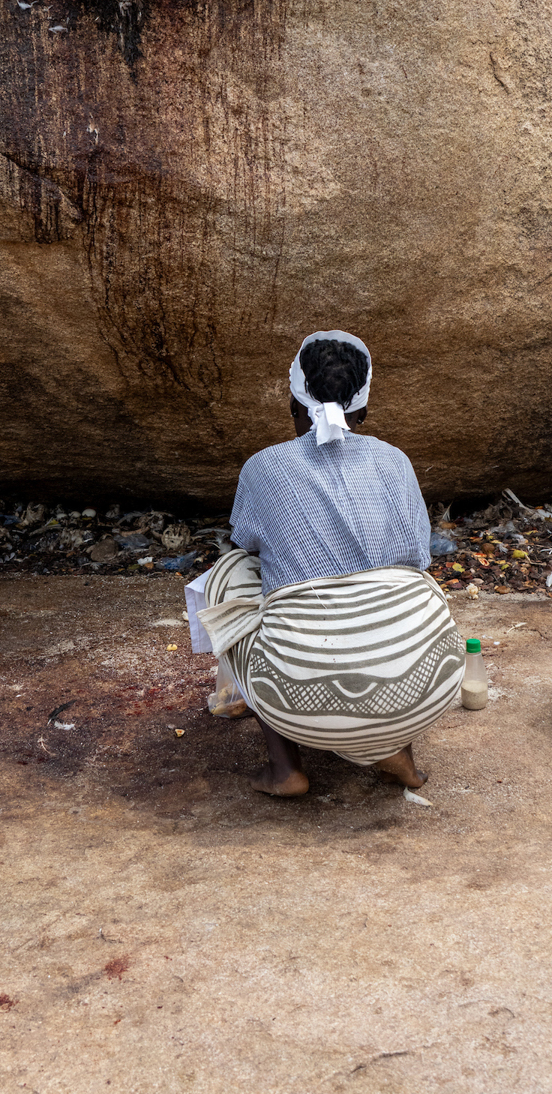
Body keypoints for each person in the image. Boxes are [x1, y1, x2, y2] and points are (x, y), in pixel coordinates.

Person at [197, 330, 464, 797]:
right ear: (363, 410)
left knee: (229, 574)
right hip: (432, 688)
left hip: (301, 701)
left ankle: (285, 770)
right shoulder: (394, 460)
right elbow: (419, 556)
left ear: (292, 403)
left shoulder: (264, 467)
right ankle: (395, 750)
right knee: (408, 590)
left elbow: (247, 542)